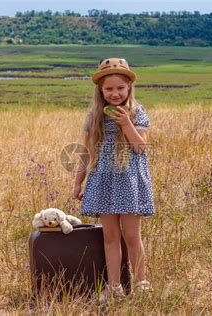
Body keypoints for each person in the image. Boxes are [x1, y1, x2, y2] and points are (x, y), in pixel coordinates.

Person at [72, 58, 155, 303]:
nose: (115, 93)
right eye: (109, 89)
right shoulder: (95, 115)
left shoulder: (136, 112)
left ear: (129, 87)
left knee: (131, 236)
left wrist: (126, 123)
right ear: (100, 90)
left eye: (120, 88)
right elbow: (86, 151)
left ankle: (141, 283)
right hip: (104, 181)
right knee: (110, 236)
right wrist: (78, 182)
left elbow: (140, 147)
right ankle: (115, 286)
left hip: (129, 181)